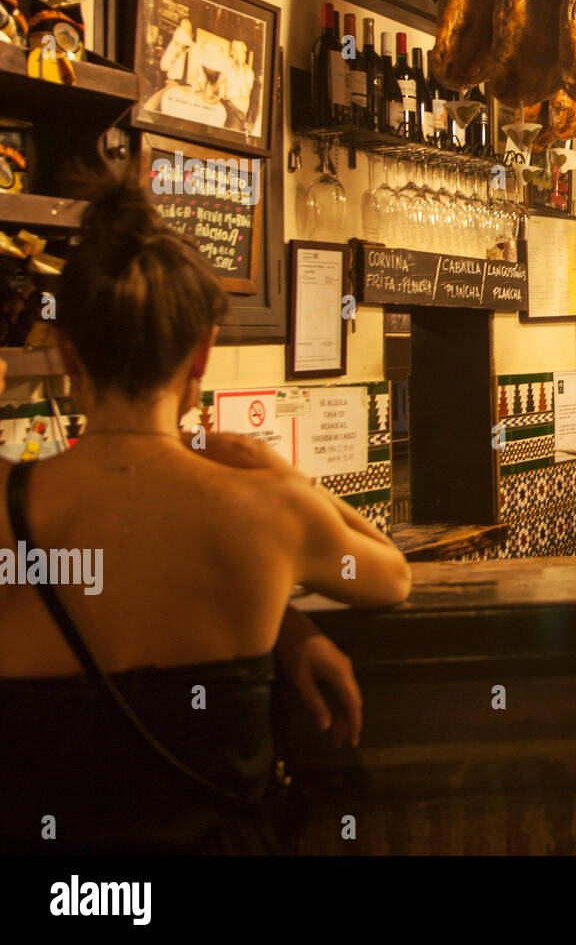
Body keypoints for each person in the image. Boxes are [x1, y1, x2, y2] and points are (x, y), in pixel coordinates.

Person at [0, 183, 411, 854]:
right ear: (201, 354)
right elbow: (392, 575)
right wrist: (272, 477)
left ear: (68, 352)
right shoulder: (267, 511)